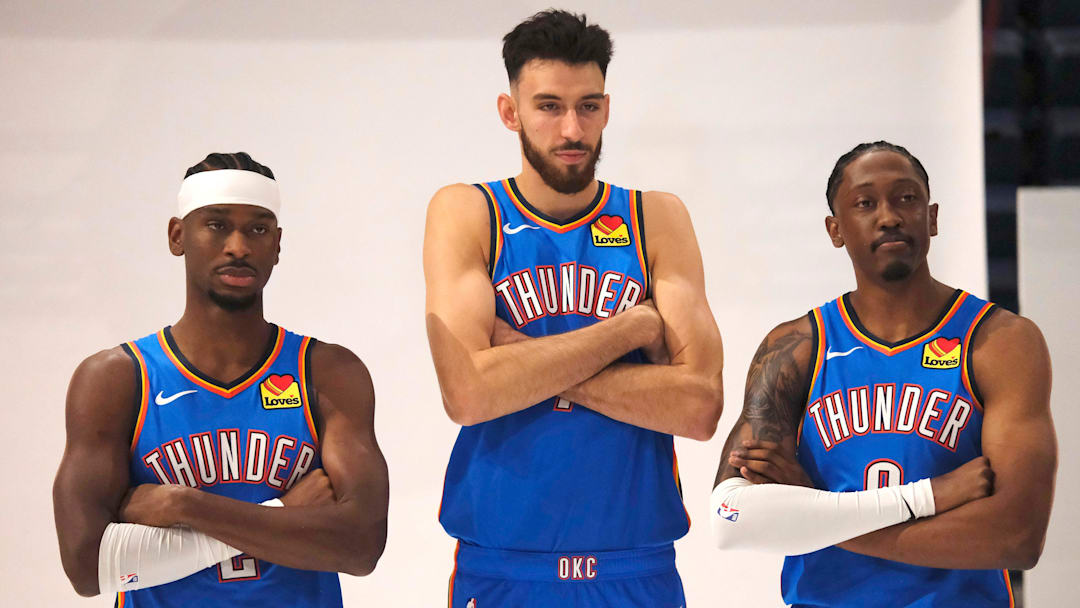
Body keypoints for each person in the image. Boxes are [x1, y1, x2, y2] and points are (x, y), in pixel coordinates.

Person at [423, 10, 724, 607]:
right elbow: (469, 395)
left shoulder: (655, 218)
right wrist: (629, 330)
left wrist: (520, 360)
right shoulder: (467, 213)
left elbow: (698, 408)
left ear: (607, 109)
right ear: (510, 112)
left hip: (635, 568)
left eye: (588, 106)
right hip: (504, 569)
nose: (571, 129)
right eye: (548, 106)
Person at [710, 141, 1056, 606]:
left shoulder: (1000, 341)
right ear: (836, 230)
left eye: (906, 198)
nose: (889, 216)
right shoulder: (795, 348)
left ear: (932, 217)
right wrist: (930, 497)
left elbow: (1017, 536)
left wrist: (816, 514)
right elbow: (734, 516)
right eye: (865, 203)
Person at [53, 153, 389, 607]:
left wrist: (184, 506)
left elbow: (362, 546)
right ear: (178, 236)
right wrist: (285, 514)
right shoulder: (117, 378)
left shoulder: (327, 372)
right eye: (216, 225)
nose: (238, 246)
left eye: (258, 228)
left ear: (277, 244)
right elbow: (89, 567)